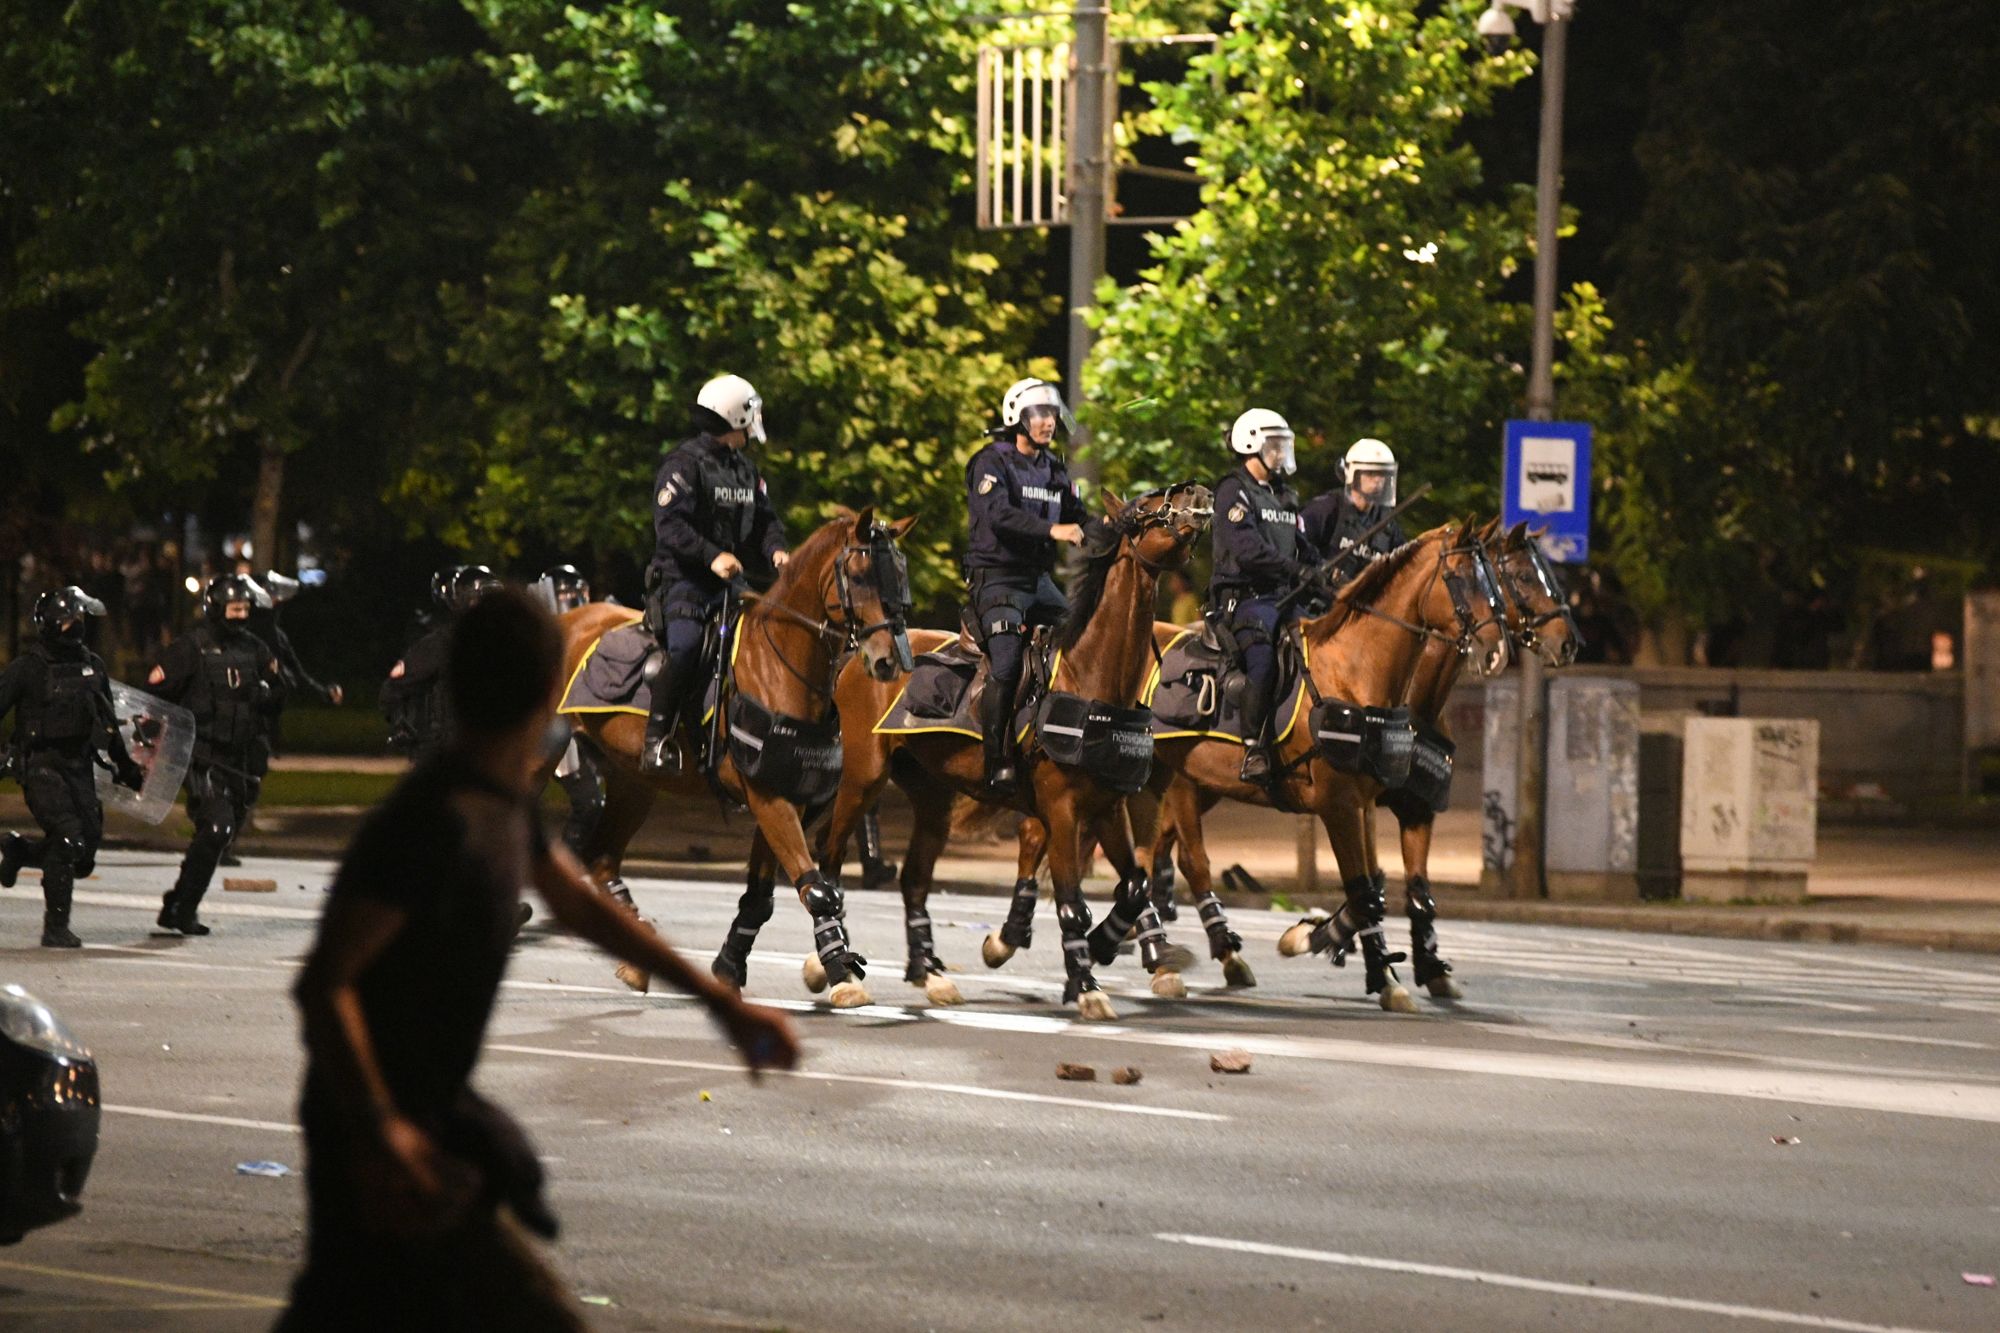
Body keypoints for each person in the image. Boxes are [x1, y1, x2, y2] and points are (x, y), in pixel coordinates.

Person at [279, 589, 798, 1330]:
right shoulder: (432, 819)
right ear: (540, 695)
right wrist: (381, 1129)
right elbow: (325, 986)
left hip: (427, 1114)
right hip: (372, 1131)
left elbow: (582, 907)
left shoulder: (501, 805)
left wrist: (721, 1006)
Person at [642, 375, 790, 775]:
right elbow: (669, 525)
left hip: (731, 586)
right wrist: (711, 557)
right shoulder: (684, 464)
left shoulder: (745, 470)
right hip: (685, 583)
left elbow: (766, 520)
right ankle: (657, 740)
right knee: (687, 649)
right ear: (734, 417)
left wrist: (776, 549)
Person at [0, 588, 146, 947]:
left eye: (78, 620)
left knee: (83, 854)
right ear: (49, 625)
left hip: (80, 766)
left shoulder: (92, 664)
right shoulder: (28, 668)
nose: (74, 627)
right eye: (67, 620)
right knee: (67, 839)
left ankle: (20, 850)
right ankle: (56, 928)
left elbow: (107, 719)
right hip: (41, 767)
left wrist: (125, 765)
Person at [964, 376, 1090, 789]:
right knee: (1006, 663)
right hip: (997, 579)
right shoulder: (990, 462)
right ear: (1017, 416)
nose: (1048, 422)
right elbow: (998, 514)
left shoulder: (1052, 467)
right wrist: (1054, 531)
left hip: (1038, 582)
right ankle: (995, 759)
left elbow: (1081, 515)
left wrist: (1125, 521)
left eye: (1052, 414)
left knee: (1084, 642)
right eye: (1039, 414)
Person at [147, 573, 287, 936]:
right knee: (215, 828)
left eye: (244, 608)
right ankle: (184, 908)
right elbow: (156, 698)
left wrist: (267, 695)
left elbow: (280, 695)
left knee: (219, 835)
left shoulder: (257, 650)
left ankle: (178, 904)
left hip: (240, 762)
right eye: (233, 608)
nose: (239, 615)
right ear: (215, 608)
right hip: (203, 757)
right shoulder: (191, 648)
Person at [1209, 408, 1314, 783]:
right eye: (1275, 444)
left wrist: (1322, 572)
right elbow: (1248, 550)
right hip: (1247, 599)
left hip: (1285, 597)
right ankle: (1253, 746)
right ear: (1250, 443)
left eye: (1284, 444)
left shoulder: (1285, 494)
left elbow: (1301, 544)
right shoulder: (1232, 490)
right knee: (1264, 660)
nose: (1281, 452)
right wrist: (1295, 569)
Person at [383, 566, 500, 764]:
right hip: (444, 749)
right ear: (464, 601)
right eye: (482, 599)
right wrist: (402, 723)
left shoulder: (501, 644)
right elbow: (393, 688)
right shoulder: (442, 643)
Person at [532, 564, 607, 858]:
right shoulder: (539, 633)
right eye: (564, 593)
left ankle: (567, 869)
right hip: (539, 732)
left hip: (571, 733)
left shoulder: (588, 633)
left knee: (590, 804)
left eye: (577, 593)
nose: (571, 599)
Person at [1301, 437, 1405, 582]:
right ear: (1351, 474)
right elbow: (1297, 548)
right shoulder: (1326, 509)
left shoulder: (1387, 524)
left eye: (1382, 474)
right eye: (1370, 473)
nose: (1377, 480)